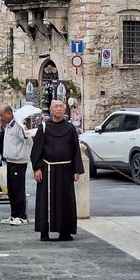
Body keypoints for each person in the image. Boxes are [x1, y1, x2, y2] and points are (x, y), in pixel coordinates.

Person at [30, 99, 84, 242]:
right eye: (56, 107)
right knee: (45, 201)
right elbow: (37, 150)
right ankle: (44, 231)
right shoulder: (44, 127)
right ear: (51, 109)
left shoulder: (71, 128)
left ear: (65, 109)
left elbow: (75, 150)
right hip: (47, 169)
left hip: (65, 170)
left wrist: (76, 169)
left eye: (61, 106)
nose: (58, 109)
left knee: (65, 200)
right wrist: (37, 168)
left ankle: (64, 232)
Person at [0, 106, 32, 225]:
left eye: (2, 115)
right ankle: (14, 215)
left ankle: (21, 216)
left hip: (19, 162)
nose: (0, 117)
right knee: (12, 190)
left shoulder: (18, 126)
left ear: (9, 114)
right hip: (10, 161)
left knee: (18, 190)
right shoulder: (9, 125)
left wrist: (24, 128)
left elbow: (27, 139)